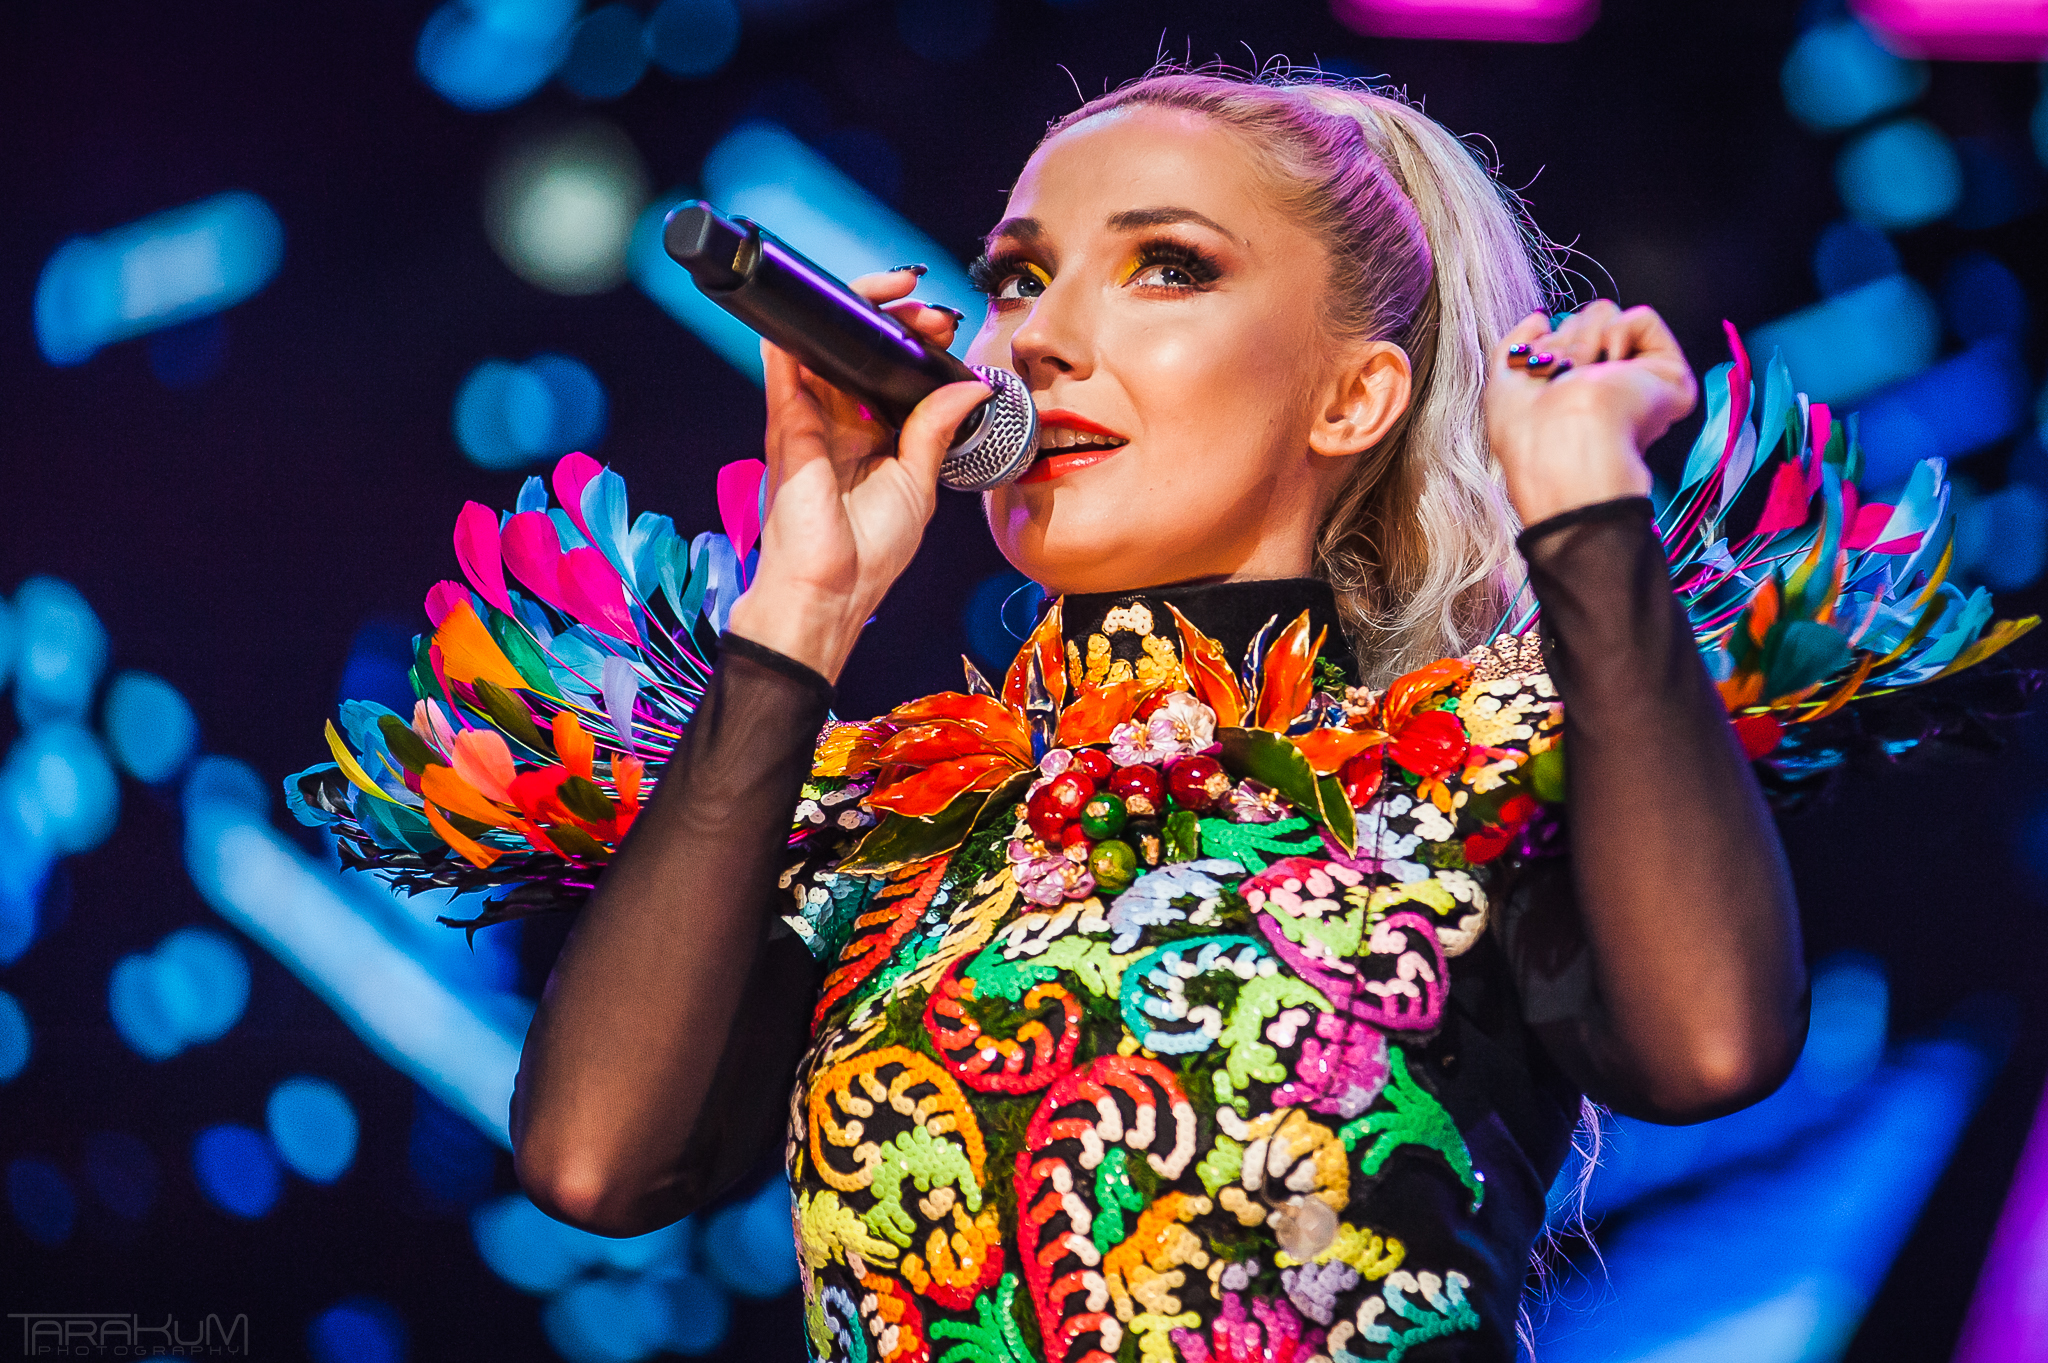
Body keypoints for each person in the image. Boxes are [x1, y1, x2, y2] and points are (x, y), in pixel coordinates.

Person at [290, 68, 2026, 1361]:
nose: (1037, 340)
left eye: (1167, 268)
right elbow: (597, 1163)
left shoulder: (1478, 776)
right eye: (1019, 277)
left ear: (1356, 395)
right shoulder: (885, 833)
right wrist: (800, 610)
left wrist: (1584, 522)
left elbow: (1712, 1050)